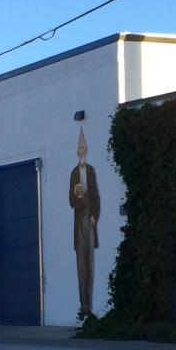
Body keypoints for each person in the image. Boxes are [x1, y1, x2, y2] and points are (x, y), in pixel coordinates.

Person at [69, 128, 100, 317]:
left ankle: (90, 305)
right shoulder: (74, 173)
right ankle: (83, 306)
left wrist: (95, 215)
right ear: (77, 151)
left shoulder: (91, 170)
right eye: (79, 147)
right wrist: (75, 195)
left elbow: (96, 194)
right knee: (81, 266)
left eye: (84, 147)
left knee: (91, 265)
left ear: (86, 149)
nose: (82, 150)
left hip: (90, 220)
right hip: (79, 221)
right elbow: (70, 201)